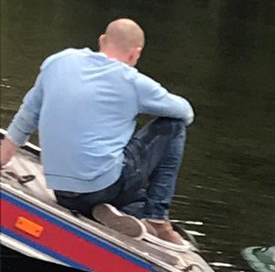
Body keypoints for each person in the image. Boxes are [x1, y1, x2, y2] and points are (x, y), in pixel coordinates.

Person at [0, 19, 193, 246]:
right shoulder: (132, 81)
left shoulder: (59, 61)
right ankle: (157, 218)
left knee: (128, 180)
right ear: (135, 54)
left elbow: (28, 114)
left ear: (102, 40)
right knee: (173, 126)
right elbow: (185, 112)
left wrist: (3, 159)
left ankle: (125, 212)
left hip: (62, 191)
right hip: (103, 187)